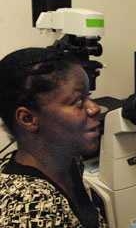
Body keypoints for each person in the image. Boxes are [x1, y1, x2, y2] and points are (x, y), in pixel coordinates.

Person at [0, 47, 108, 227]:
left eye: (88, 96)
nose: (95, 108)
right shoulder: (29, 210)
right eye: (78, 101)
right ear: (28, 119)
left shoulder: (68, 161)